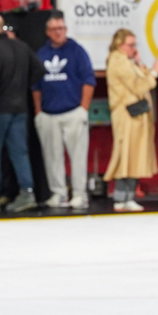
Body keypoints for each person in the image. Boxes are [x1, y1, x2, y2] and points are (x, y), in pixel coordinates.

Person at [0, 14, 45, 213]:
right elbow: (39, 69)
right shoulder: (21, 47)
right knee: (19, 152)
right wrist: (21, 86)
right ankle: (27, 192)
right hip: (20, 108)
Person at [32, 11, 95, 210]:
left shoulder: (77, 51)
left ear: (65, 29)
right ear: (48, 32)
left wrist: (83, 108)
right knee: (52, 157)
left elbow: (88, 80)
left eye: (61, 29)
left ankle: (79, 194)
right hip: (49, 114)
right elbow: (35, 86)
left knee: (77, 156)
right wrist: (38, 111)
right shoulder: (42, 54)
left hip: (73, 111)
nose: (58, 32)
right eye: (54, 29)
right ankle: (58, 193)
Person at [104, 29, 158, 213]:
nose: (133, 48)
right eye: (131, 45)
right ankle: (121, 198)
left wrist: (139, 62)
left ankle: (128, 197)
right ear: (120, 45)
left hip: (135, 116)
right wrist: (155, 71)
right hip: (127, 116)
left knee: (135, 156)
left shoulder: (128, 62)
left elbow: (141, 79)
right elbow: (140, 86)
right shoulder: (118, 61)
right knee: (126, 156)